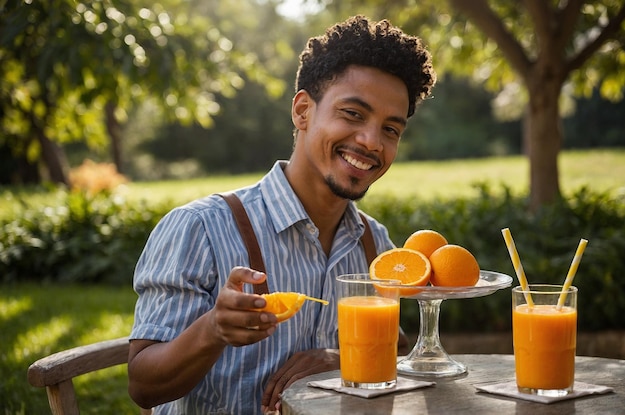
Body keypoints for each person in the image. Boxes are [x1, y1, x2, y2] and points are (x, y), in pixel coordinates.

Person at [127, 15, 436, 414]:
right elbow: (143, 386)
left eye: (391, 129)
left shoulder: (376, 245)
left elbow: (395, 354)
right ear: (303, 111)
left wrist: (337, 359)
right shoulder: (200, 228)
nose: (371, 141)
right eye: (353, 115)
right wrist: (212, 329)